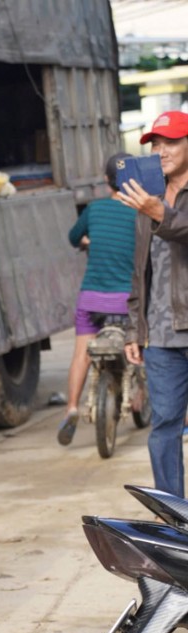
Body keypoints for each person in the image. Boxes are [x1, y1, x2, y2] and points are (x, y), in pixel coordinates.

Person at [120, 110, 188, 497]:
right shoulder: (149, 197)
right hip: (161, 336)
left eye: (172, 141)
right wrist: (134, 326)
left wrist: (161, 214)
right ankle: (176, 518)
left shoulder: (154, 206)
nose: (162, 150)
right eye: (156, 144)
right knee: (164, 426)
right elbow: (138, 268)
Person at [56, 152, 137, 445]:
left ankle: (72, 408)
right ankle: (139, 398)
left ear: (106, 181)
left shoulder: (94, 209)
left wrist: (89, 240)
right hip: (127, 302)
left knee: (82, 353)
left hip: (91, 299)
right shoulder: (140, 213)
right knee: (143, 348)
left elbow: (73, 237)